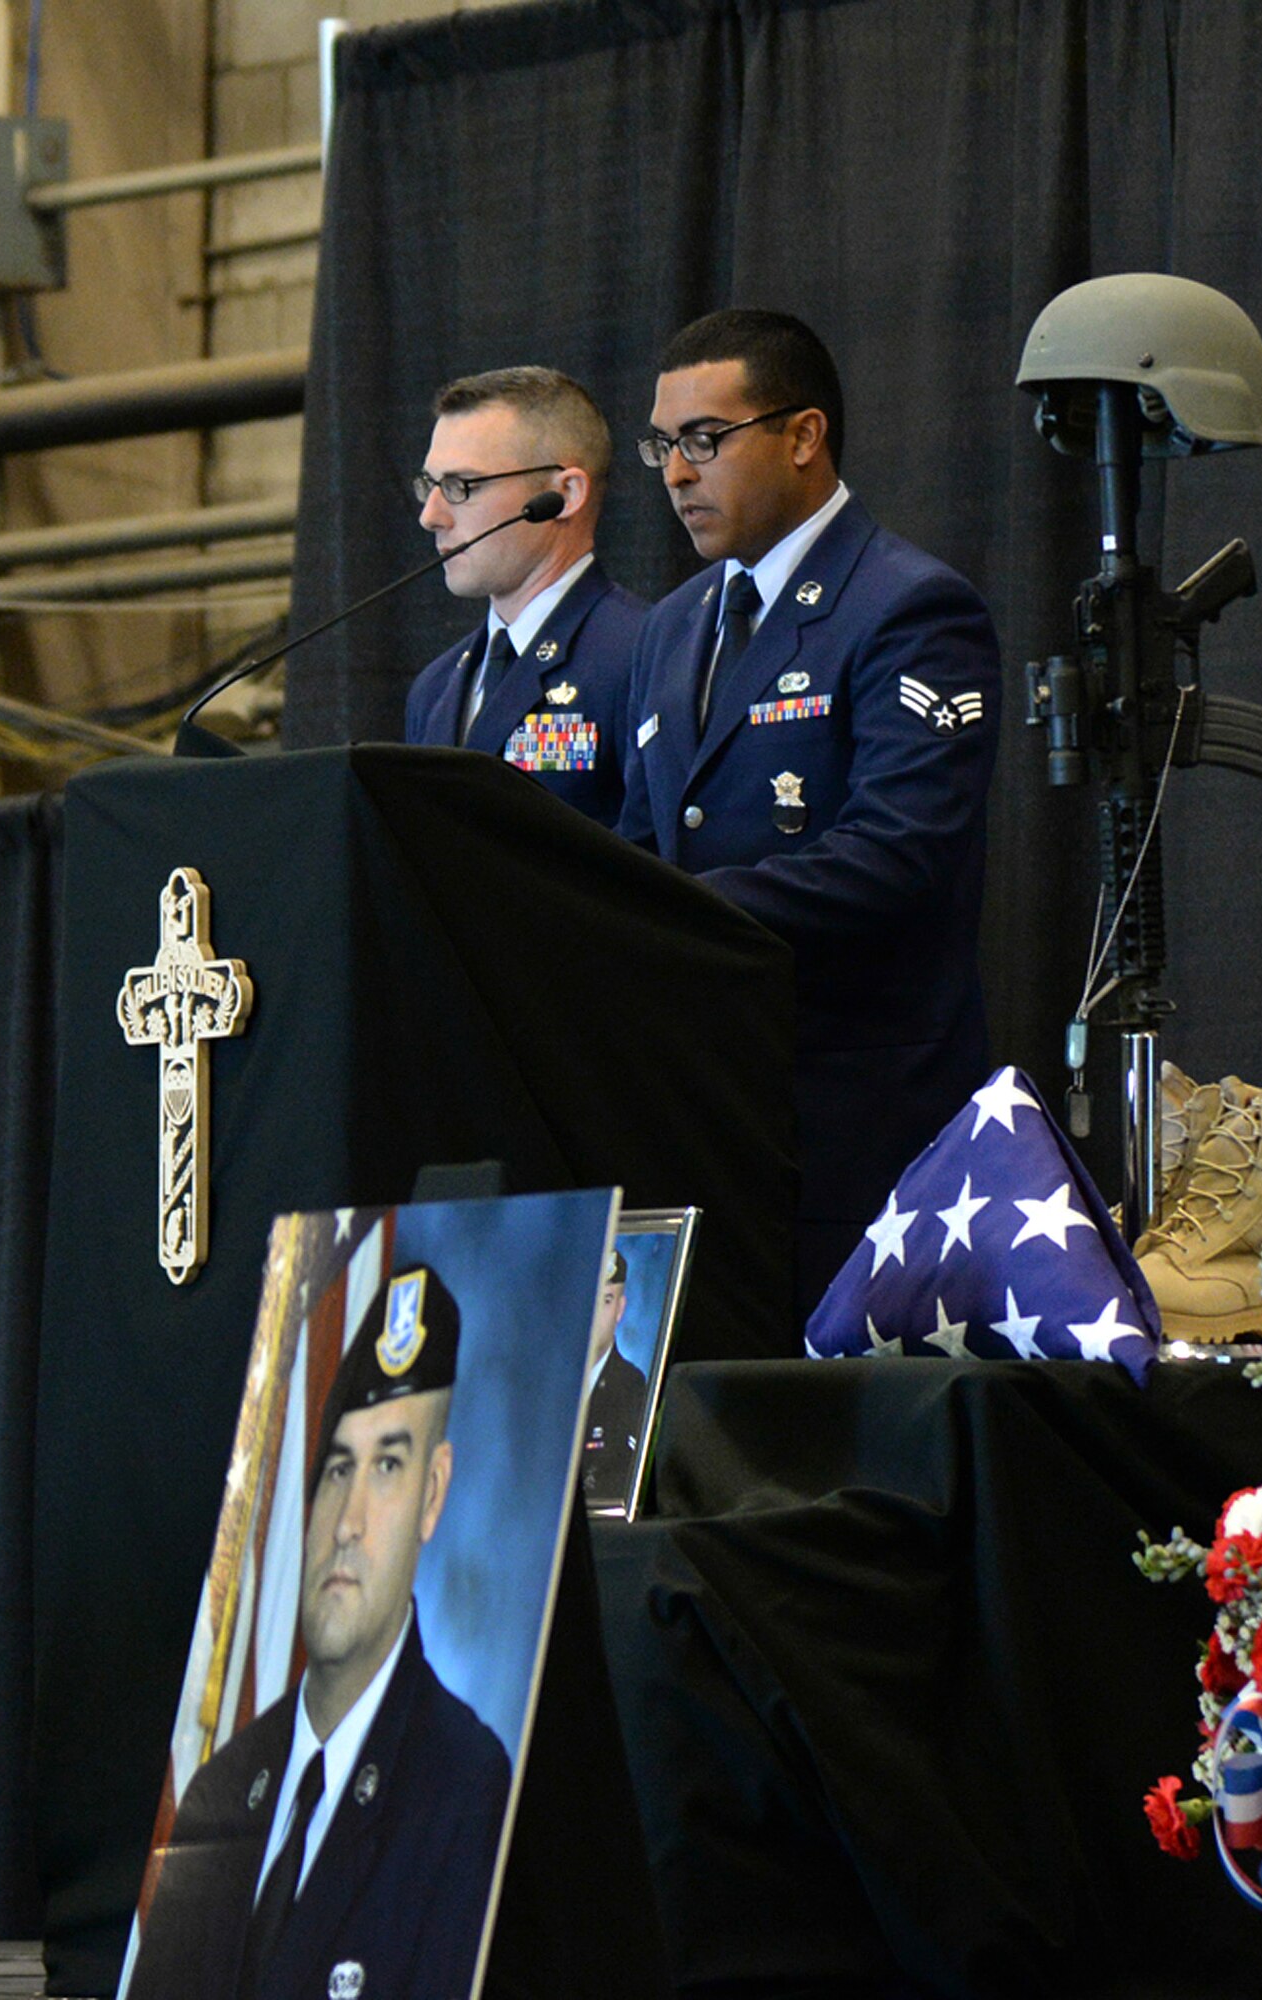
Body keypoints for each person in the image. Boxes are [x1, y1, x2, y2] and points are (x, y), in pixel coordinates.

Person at [619, 309, 1002, 1315]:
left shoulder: (907, 606)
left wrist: (671, 917)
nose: (674, 472)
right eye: (661, 444)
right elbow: (632, 844)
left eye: (704, 439)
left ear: (802, 435)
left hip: (856, 1125)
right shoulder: (672, 626)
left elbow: (896, 853)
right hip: (703, 1110)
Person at [126, 1266, 510, 2000]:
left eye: (387, 1466)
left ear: (432, 1495)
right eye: (337, 1469)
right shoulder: (218, 1790)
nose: (349, 1521)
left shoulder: (461, 1791)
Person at [405, 366, 646, 829]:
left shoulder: (641, 653)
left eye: (461, 487)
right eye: (429, 486)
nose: (431, 516)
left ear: (565, 494)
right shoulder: (436, 688)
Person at [581, 1247, 648, 1506]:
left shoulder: (630, 1385)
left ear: (620, 1309)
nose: (594, 1315)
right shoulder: (545, 1380)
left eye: (606, 1301)